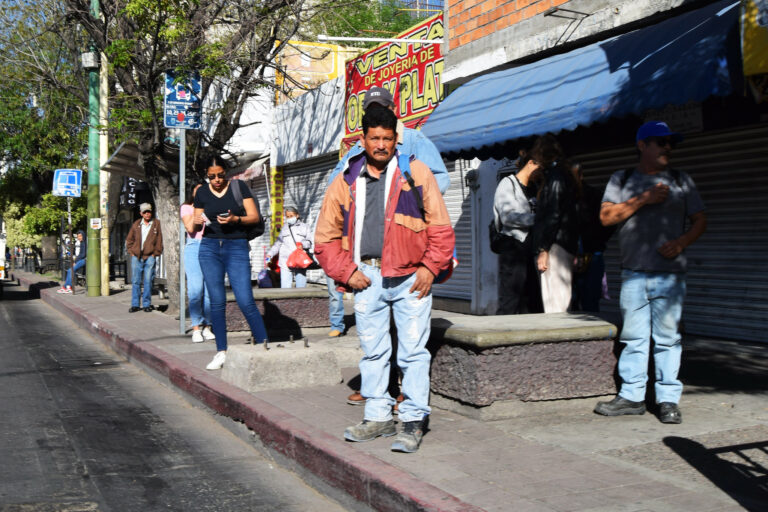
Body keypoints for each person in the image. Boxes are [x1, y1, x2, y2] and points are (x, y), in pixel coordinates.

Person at [314, 107, 455, 453]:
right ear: (363, 140)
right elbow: (324, 237)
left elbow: (441, 228)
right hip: (367, 279)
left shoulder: (416, 171)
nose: (380, 145)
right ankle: (377, 416)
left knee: (413, 353)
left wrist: (429, 269)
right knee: (374, 353)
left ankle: (412, 420)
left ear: (396, 139)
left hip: (411, 280)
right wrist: (348, 272)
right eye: (374, 138)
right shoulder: (346, 178)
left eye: (387, 138)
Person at [334, 86, 450, 403]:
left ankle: (401, 391)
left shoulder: (413, 140)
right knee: (374, 327)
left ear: (393, 109)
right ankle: (379, 388)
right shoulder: (357, 149)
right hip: (368, 256)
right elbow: (337, 189)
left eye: (381, 106)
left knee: (405, 327)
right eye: (370, 108)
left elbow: (439, 179)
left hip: (405, 251)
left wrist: (405, 199)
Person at [594, 121, 706, 424]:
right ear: (642, 145)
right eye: (661, 142)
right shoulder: (623, 178)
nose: (667, 148)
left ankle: (668, 400)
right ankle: (632, 396)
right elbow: (606, 217)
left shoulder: (682, 180)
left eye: (671, 143)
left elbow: (699, 220)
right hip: (633, 273)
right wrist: (643, 198)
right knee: (634, 338)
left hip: (670, 276)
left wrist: (682, 242)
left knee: (668, 339)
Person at [192, 157, 269, 371]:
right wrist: (196, 221)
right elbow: (194, 227)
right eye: (211, 176)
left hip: (236, 246)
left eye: (220, 175)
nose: (217, 180)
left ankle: (264, 347)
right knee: (216, 302)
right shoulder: (202, 192)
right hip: (208, 248)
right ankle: (221, 352)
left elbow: (253, 217)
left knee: (245, 299)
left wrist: (236, 220)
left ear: (226, 172)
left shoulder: (238, 186)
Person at [530, 135, 579, 313]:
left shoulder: (556, 177)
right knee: (560, 298)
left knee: (555, 301)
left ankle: (559, 340)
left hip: (555, 245)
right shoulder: (563, 175)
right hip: (563, 243)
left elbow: (553, 214)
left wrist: (544, 249)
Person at [492, 150, 542, 314]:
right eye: (540, 168)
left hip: (531, 249)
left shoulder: (534, 187)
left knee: (531, 299)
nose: (540, 173)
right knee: (510, 299)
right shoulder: (508, 184)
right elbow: (508, 217)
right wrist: (537, 219)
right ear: (531, 163)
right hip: (512, 247)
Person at [570, 163, 616, 312]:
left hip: (591, 255)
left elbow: (609, 223)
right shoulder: (566, 196)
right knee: (572, 304)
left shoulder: (594, 196)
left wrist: (596, 242)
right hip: (574, 256)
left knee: (590, 303)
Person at [180, 184, 215, 343]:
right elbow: (190, 228)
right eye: (198, 190)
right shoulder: (187, 207)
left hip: (210, 245)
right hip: (194, 246)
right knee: (196, 289)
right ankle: (196, 327)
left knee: (209, 290)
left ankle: (207, 326)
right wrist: (198, 217)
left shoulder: (211, 206)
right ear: (193, 192)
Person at [126, 203, 163, 313]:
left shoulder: (156, 224)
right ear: (141, 213)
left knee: (148, 281)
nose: (147, 214)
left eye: (149, 212)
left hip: (150, 256)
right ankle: (135, 304)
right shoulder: (136, 224)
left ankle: (147, 304)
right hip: (136, 257)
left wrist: (155, 253)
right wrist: (131, 252)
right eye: (145, 212)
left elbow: (159, 240)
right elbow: (129, 239)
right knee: (136, 281)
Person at [265, 207, 312, 289]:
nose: (289, 218)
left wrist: (303, 244)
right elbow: (278, 244)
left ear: (297, 215)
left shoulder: (305, 227)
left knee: (301, 287)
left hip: (299, 260)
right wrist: (269, 255)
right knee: (285, 287)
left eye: (291, 215)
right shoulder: (284, 228)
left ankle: (301, 301)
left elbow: (310, 241)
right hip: (285, 260)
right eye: (287, 216)